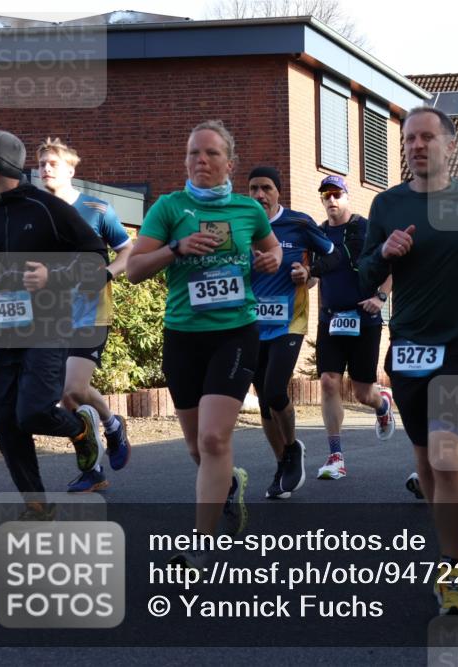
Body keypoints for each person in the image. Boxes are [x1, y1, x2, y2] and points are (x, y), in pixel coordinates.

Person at [358, 106, 458, 616]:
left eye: (426, 137)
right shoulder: (387, 204)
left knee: (447, 455)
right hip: (406, 346)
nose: (416, 146)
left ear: (449, 145)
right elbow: (363, 273)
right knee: (425, 462)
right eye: (408, 139)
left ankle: (452, 573)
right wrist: (386, 252)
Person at [127, 120, 282, 568]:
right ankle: (228, 483)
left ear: (228, 162)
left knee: (215, 439)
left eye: (211, 153)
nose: (201, 160)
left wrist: (271, 258)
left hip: (235, 332)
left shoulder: (248, 210)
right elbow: (135, 270)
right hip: (183, 337)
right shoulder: (169, 208)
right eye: (194, 152)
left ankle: (203, 541)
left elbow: (272, 254)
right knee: (197, 447)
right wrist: (175, 248)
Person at [0, 129, 108, 518]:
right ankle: (36, 502)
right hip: (2, 332)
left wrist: (52, 275)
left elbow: (95, 256)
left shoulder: (47, 208)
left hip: (50, 325)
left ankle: (79, 428)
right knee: (2, 419)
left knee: (33, 412)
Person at [36, 137, 133, 493]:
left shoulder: (97, 208)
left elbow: (128, 251)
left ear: (71, 170)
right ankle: (95, 464)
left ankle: (111, 427)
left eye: (53, 163)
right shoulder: (37, 211)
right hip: (50, 316)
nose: (45, 168)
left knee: (71, 388)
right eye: (42, 163)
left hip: (90, 312)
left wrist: (106, 273)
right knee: (69, 398)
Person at [245, 166, 336, 498]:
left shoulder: (298, 224)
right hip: (251, 324)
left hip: (290, 321)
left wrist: (308, 272)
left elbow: (334, 256)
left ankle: (293, 448)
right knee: (265, 401)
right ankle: (283, 461)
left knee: (273, 391)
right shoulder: (240, 226)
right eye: (253, 188)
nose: (259, 195)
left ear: (278, 192)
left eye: (266, 188)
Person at [311, 174, 396, 487]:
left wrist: (381, 297)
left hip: (365, 319)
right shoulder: (317, 235)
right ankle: (336, 456)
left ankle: (382, 404)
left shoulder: (365, 229)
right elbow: (312, 276)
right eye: (326, 196)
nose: (331, 200)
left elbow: (391, 268)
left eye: (336, 194)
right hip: (330, 319)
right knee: (329, 382)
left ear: (347, 197)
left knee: (362, 392)